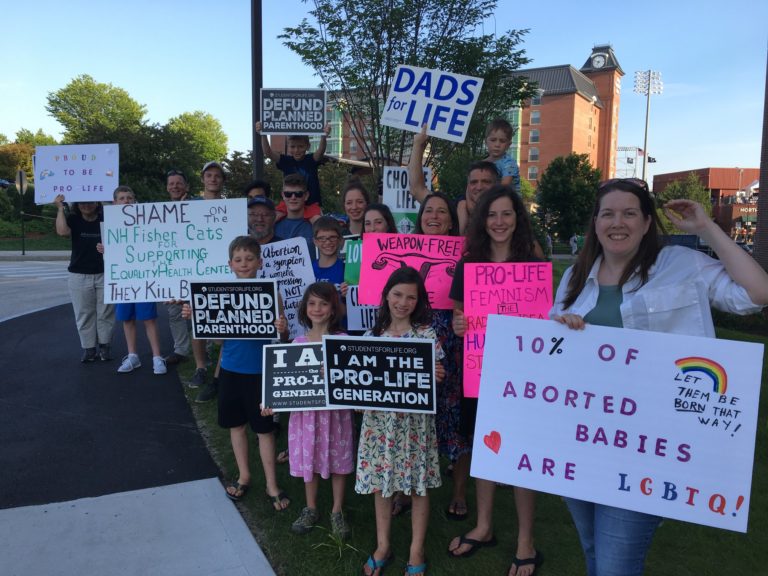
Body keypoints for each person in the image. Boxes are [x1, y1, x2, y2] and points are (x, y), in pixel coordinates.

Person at [550, 178, 768, 576]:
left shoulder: (681, 266)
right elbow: (554, 352)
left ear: (647, 222)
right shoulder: (575, 277)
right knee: (593, 550)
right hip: (581, 441)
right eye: (608, 213)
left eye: (630, 213)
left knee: (616, 565)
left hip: (649, 448)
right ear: (595, 223)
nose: (619, 222)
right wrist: (563, 329)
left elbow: (757, 293)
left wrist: (707, 228)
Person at [448, 186, 541, 576]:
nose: (499, 222)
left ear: (517, 218)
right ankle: (484, 525)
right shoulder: (468, 265)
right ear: (482, 220)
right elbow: (458, 317)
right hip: (480, 371)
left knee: (520, 456)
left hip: (521, 376)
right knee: (486, 450)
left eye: (506, 214)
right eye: (492, 215)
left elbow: (544, 314)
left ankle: (526, 540)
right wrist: (459, 325)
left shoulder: (531, 260)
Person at [182, 236, 291, 509]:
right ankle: (244, 476)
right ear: (230, 264)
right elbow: (218, 340)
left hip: (261, 371)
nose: (244, 264)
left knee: (265, 429)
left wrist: (282, 326)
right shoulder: (220, 293)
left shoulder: (271, 293)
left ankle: (271, 484)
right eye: (238, 260)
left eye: (249, 259)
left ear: (260, 262)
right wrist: (198, 316)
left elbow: (283, 336)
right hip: (231, 369)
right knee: (236, 425)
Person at [356, 266, 444, 576]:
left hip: (414, 428)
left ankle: (416, 549)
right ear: (386, 296)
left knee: (418, 487)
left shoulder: (427, 336)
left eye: (410, 297)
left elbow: (436, 378)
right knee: (381, 485)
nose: (402, 302)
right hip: (379, 427)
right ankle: (383, 545)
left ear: (418, 301)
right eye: (397, 294)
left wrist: (435, 375)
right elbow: (358, 384)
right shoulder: (370, 337)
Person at [411, 192, 470, 523]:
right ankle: (407, 489)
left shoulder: (467, 254)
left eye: (441, 211)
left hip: (455, 345)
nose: (433, 216)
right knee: (414, 418)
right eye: (428, 210)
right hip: (414, 343)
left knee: (456, 419)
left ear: (451, 221)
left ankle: (460, 492)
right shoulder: (402, 253)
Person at [279, 282, 354, 538]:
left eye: (323, 303)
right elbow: (283, 383)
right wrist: (271, 402)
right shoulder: (297, 342)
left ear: (333, 309)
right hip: (305, 416)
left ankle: (337, 510)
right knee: (308, 456)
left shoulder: (342, 341)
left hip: (336, 416)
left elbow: (351, 379)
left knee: (338, 459)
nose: (317, 309)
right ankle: (310, 507)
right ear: (304, 308)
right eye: (312, 303)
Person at [107, 186, 166, 375]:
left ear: (135, 201)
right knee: (127, 319)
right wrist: (103, 249)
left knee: (148, 318)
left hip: (144, 277)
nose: (126, 201)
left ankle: (157, 357)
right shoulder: (110, 224)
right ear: (115, 202)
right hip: (123, 279)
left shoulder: (146, 222)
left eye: (129, 198)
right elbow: (111, 253)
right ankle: (132, 356)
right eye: (122, 198)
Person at [54, 194, 115, 362]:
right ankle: (89, 349)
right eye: (82, 202)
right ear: (77, 204)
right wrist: (60, 209)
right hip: (79, 274)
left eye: (90, 201)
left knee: (105, 313)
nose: (86, 205)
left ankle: (105, 347)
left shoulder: (107, 218)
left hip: (104, 273)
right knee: (84, 314)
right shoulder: (73, 219)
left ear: (97, 202)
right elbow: (62, 232)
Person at [408, 123, 498, 235]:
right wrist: (418, 144)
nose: (479, 187)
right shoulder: (452, 210)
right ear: (468, 185)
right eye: (474, 182)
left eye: (486, 182)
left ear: (496, 185)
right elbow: (417, 189)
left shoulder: (504, 218)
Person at [189, 161, 227, 399]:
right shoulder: (190, 205)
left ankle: (218, 374)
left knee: (224, 327)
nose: (213, 179)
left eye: (217, 176)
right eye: (209, 175)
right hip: (196, 270)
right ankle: (200, 367)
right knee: (197, 324)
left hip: (222, 273)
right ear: (203, 179)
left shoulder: (229, 208)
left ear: (222, 181)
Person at [255, 121, 329, 221]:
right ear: (288, 147)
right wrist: (263, 134)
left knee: (319, 225)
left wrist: (324, 136)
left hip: (311, 204)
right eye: (293, 147)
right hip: (289, 203)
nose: (296, 150)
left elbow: (320, 151)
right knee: (271, 221)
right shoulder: (286, 161)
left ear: (308, 146)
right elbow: (268, 152)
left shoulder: (311, 159)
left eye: (300, 146)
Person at [163, 170, 192, 366]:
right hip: (171, 271)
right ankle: (181, 350)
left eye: (178, 183)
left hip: (196, 266)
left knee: (199, 310)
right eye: (171, 183)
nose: (174, 186)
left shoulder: (197, 206)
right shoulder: (158, 211)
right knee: (175, 313)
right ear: (167, 187)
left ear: (186, 186)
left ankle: (205, 349)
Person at [274, 174, 315, 256]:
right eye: (288, 194)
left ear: (306, 196)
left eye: (298, 194)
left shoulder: (316, 224)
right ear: (283, 195)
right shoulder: (272, 225)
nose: (293, 197)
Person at [484, 118, 521, 194]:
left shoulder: (509, 164)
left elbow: (503, 187)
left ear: (508, 145)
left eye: (502, 141)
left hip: (509, 202)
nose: (497, 145)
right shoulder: (483, 164)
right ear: (486, 142)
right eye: (493, 140)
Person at [312, 216, 345, 292]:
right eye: (322, 238)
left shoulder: (346, 270)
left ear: (340, 240)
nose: (327, 242)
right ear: (315, 241)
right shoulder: (308, 270)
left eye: (332, 237)